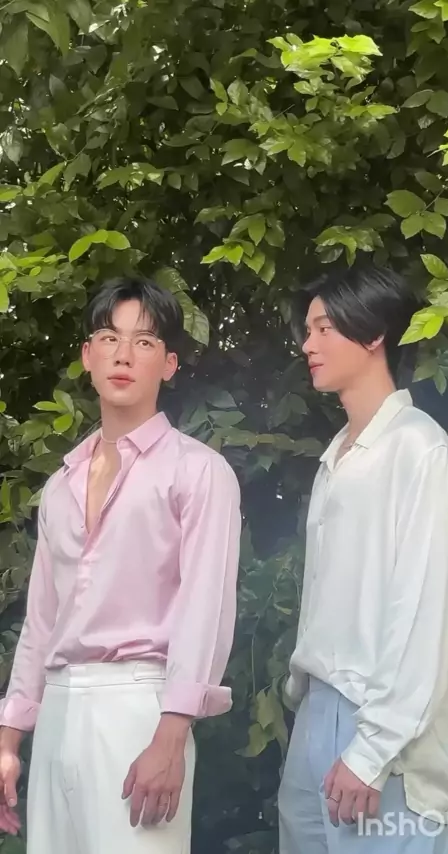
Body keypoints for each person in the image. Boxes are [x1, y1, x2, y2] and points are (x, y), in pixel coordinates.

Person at [0, 276, 242, 853]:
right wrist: (9, 740)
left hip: (140, 706)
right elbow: (42, 620)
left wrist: (171, 735)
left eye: (145, 341)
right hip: (58, 709)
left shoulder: (198, 471)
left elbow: (205, 607)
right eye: (109, 338)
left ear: (170, 364)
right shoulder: (60, 485)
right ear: (88, 355)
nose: (124, 355)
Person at [279, 260, 448, 854]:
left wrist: (371, 751)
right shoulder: (337, 455)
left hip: (385, 735)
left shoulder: (419, 449)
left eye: (324, 329)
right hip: (316, 715)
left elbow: (424, 614)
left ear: (374, 334)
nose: (308, 345)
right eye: (308, 331)